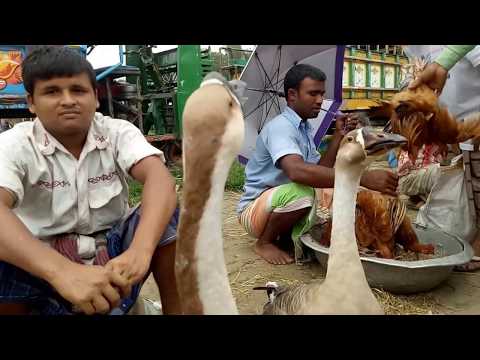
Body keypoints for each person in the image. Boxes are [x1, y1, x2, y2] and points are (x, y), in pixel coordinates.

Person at [0, 46, 181, 314]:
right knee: (6, 248)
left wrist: (140, 251)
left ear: (95, 97)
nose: (68, 100)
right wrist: (61, 272)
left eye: (78, 90)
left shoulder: (117, 132)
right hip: (41, 266)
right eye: (52, 91)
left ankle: (176, 309)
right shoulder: (15, 144)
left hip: (113, 259)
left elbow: (159, 179)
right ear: (31, 102)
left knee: (166, 212)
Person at [237, 64, 399, 265]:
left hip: (278, 204)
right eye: (313, 94)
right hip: (254, 211)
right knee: (303, 194)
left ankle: (285, 237)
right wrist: (362, 177)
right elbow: (297, 172)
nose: (320, 100)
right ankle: (264, 242)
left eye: (322, 94)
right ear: (292, 95)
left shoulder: (303, 128)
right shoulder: (280, 128)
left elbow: (322, 170)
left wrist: (338, 137)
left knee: (320, 191)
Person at [407, 45, 480, 271]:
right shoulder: (413, 48)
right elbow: (431, 85)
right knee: (472, 187)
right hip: (456, 130)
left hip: (475, 123)